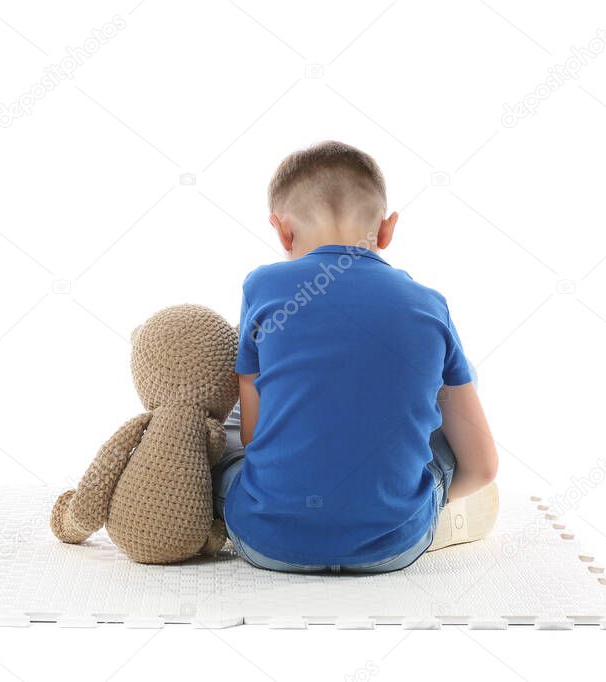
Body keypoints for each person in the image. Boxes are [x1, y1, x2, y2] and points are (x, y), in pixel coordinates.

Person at [211, 141, 499, 573]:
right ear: (387, 230)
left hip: (267, 541)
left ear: (282, 230)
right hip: (393, 547)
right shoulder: (429, 305)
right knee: (453, 380)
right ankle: (421, 512)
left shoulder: (263, 287)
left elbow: (253, 439)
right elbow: (482, 467)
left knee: (224, 423)